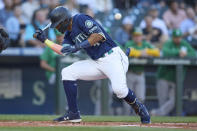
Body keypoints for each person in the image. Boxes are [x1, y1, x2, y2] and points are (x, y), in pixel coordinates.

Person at [34, 6, 150, 123]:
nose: (58, 28)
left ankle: (140, 108)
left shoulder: (80, 18)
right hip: (97, 62)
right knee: (67, 72)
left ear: (65, 20)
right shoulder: (69, 33)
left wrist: (78, 46)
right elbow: (63, 51)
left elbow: (98, 35)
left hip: (113, 57)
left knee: (119, 90)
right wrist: (45, 40)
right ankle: (73, 113)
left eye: (58, 24)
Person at [151, 29, 196, 116]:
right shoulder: (169, 43)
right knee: (162, 100)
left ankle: (156, 113)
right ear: (173, 37)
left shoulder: (184, 44)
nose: (178, 39)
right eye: (176, 37)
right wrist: (178, 52)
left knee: (175, 100)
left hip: (176, 79)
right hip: (163, 76)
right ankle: (160, 123)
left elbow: (194, 54)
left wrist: (185, 54)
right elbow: (165, 52)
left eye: (179, 37)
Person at [125, 27, 160, 103]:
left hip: (140, 73)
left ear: (142, 36)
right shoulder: (129, 43)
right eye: (135, 36)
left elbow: (157, 52)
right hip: (130, 73)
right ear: (133, 36)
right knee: (128, 98)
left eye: (139, 35)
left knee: (141, 98)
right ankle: (126, 115)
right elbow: (129, 52)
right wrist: (141, 53)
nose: (137, 37)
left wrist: (147, 51)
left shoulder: (145, 44)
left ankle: (138, 115)